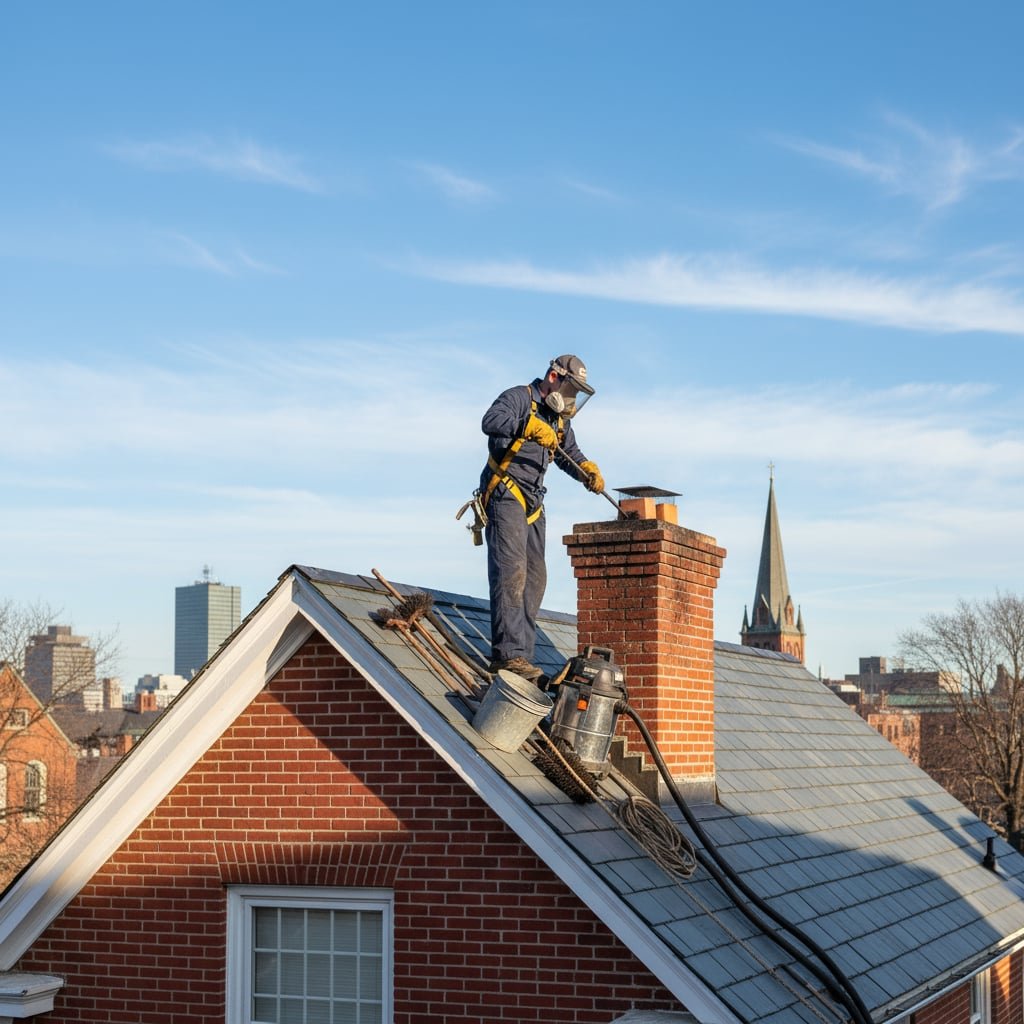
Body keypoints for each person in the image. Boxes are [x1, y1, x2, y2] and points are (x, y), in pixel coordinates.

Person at [478, 355, 604, 682]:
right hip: (506, 491)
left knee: (535, 578)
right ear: (553, 377)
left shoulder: (558, 419)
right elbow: (490, 421)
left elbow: (568, 453)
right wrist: (527, 426)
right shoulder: (519, 398)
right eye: (570, 389)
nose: (572, 398)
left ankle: (524, 656)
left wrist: (586, 470)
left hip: (534, 501)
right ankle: (507, 656)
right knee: (512, 571)